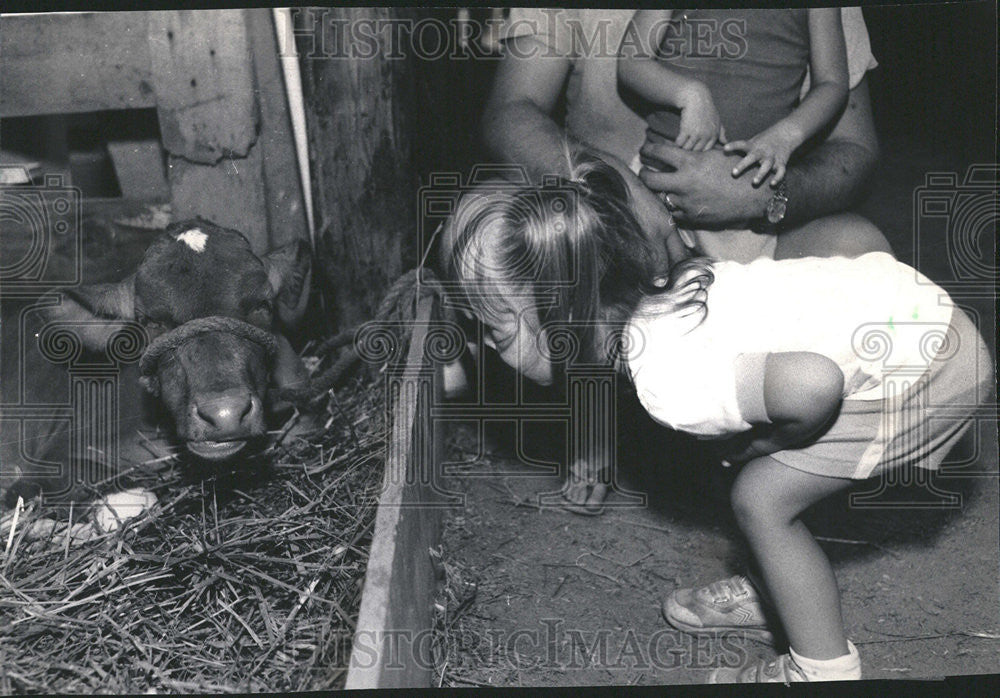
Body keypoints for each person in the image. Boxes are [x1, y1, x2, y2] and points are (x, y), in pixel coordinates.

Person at [442, 155, 992, 682]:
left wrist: (766, 447)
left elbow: (813, 385)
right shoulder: (675, 286)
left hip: (929, 373)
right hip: (927, 319)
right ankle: (774, 585)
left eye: (497, 330)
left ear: (565, 318)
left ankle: (820, 668)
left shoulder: (668, 381)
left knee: (762, 500)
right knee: (774, 466)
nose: (490, 348)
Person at [482, 8, 893, 510]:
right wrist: (616, 186)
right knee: (541, 235)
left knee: (863, 251)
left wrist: (765, 192)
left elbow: (855, 148)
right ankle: (595, 410)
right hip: (613, 199)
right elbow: (508, 112)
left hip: (756, 213)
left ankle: (777, 467)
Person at [618, 8, 848, 187]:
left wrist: (785, 136)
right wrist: (691, 94)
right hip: (663, 170)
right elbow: (630, 60)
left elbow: (832, 83)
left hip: (755, 183)